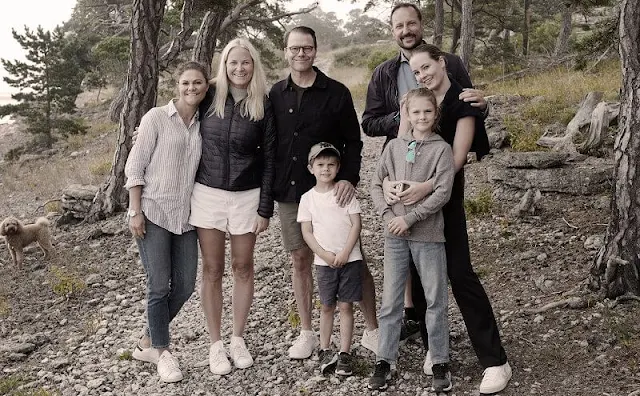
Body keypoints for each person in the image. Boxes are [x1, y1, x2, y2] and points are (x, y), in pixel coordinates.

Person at [361, 3, 511, 394]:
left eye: (428, 67)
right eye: (417, 70)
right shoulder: (405, 91)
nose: (422, 72)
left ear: (442, 63)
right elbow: (396, 142)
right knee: (420, 276)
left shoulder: (458, 94)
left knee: (458, 272)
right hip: (407, 198)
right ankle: (434, 349)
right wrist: (394, 185)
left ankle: (495, 360)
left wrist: (426, 187)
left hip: (444, 193)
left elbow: (459, 154)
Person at [269, 26, 379, 360]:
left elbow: (354, 142)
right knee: (301, 258)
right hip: (291, 191)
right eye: (294, 49)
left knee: (353, 258)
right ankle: (307, 332)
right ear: (285, 51)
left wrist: (348, 177)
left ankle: (373, 329)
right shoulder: (275, 93)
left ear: (315, 51)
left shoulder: (337, 92)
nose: (300, 54)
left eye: (307, 48)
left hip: (333, 192)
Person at [189, 38, 276, 375]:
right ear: (223, 65)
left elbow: (270, 159)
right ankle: (215, 345)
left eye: (246, 63)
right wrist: (145, 133)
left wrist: (264, 208)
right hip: (207, 193)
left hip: (247, 196)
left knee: (242, 266)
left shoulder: (263, 105)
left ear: (254, 65)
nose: (239, 69)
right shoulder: (208, 95)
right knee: (211, 270)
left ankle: (237, 337)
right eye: (233, 63)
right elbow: (176, 111)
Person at [125, 61, 209, 383]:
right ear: (177, 85)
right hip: (154, 211)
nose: (192, 89)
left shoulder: (205, 122)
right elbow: (135, 167)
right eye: (186, 83)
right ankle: (162, 352)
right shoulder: (156, 118)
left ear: (205, 87)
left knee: (186, 286)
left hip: (186, 217)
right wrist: (135, 210)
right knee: (159, 285)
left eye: (198, 83)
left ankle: (146, 339)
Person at [369, 88, 455, 392]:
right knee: (391, 300)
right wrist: (387, 215)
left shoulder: (441, 149)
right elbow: (376, 183)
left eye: (427, 112)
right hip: (394, 234)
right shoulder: (394, 146)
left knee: (435, 299)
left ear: (436, 114)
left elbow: (443, 192)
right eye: (415, 112)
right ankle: (385, 359)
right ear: (406, 114)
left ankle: (440, 360)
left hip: (428, 235)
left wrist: (410, 218)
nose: (421, 117)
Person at [297, 142, 363, 376]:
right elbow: (307, 231)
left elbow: (356, 223)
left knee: (346, 305)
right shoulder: (307, 199)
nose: (326, 169)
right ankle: (325, 349)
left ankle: (345, 352)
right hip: (324, 262)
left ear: (338, 167)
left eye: (331, 165)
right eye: (321, 164)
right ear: (311, 168)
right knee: (327, 306)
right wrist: (323, 254)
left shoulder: (345, 194)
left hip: (350, 258)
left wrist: (345, 252)